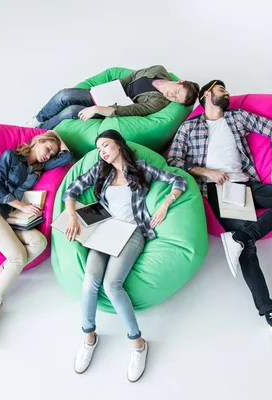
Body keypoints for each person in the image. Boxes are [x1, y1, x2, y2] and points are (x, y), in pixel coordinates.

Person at [167, 80, 272, 341]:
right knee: (249, 251)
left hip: (247, 184)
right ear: (207, 94)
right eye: (222, 90)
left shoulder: (238, 117)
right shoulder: (189, 127)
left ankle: (241, 237)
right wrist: (206, 172)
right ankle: (271, 316)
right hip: (220, 191)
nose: (228, 93)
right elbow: (173, 161)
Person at [62, 129, 187, 382]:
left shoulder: (141, 168)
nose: (103, 152)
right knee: (90, 281)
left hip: (132, 232)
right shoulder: (101, 170)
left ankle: (138, 343)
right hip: (102, 226)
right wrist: (73, 216)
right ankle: (89, 336)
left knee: (111, 285)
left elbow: (179, 181)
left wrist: (165, 204)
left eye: (105, 145)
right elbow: (71, 190)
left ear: (119, 144)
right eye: (99, 149)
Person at [0, 131, 72, 346]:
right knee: (18, 256)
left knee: (40, 242)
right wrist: (23, 206)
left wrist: (57, 136)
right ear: (38, 141)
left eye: (52, 152)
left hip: (10, 218)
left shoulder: (38, 169)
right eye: (47, 148)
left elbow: (67, 157)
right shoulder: (11, 156)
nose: (48, 155)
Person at [25, 65, 200, 130]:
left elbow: (132, 110)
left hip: (111, 108)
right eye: (177, 92)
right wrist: (109, 87)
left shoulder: (159, 102)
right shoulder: (158, 70)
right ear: (180, 81)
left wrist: (98, 109)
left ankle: (39, 130)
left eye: (176, 100)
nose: (172, 96)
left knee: (72, 111)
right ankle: (38, 119)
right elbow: (131, 78)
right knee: (65, 94)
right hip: (108, 92)